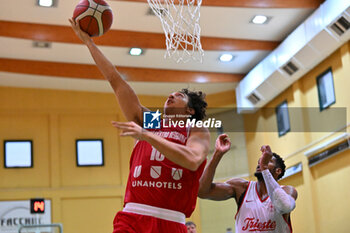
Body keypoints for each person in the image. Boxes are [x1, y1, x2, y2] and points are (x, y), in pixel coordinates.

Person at [69, 19, 210, 233]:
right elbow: (116, 81)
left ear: (190, 111)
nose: (171, 95)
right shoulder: (152, 121)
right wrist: (88, 43)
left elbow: (192, 160)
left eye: (179, 95)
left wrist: (146, 135)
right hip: (134, 216)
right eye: (170, 93)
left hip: (172, 221)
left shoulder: (195, 130)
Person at [198, 134, 297, 233]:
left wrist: (265, 169)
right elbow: (202, 192)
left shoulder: (287, 190)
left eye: (268, 161)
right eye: (260, 161)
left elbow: (285, 206)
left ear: (278, 171)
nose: (260, 163)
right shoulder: (241, 188)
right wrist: (217, 154)